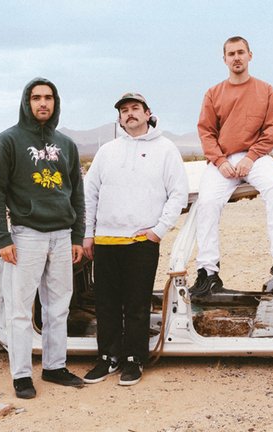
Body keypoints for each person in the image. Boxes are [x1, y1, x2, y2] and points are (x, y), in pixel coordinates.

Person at [0, 77, 85, 399]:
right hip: (26, 236)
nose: (43, 103)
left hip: (62, 236)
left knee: (58, 308)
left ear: (56, 103)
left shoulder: (67, 145)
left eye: (49, 98)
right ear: (27, 102)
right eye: (37, 97)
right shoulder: (8, 141)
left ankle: (55, 366)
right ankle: (22, 375)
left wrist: (78, 236)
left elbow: (78, 195)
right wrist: (2, 238)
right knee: (20, 309)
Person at [82, 92, 188, 386]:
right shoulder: (107, 151)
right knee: (106, 304)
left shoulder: (165, 149)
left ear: (147, 113)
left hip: (140, 241)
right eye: (124, 110)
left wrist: (158, 231)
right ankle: (108, 357)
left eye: (135, 109)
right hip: (105, 241)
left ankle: (134, 359)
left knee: (137, 303)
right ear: (119, 118)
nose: (129, 114)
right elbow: (89, 194)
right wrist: (88, 234)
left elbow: (178, 193)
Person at [191, 35, 273, 296]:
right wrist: (220, 161)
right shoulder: (213, 93)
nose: (236, 57)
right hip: (223, 160)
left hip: (256, 157)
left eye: (241, 52)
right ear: (224, 59)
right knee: (207, 203)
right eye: (231, 54)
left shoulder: (266, 90)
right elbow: (206, 132)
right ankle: (208, 271)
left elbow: (272, 128)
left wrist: (251, 157)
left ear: (250, 55)